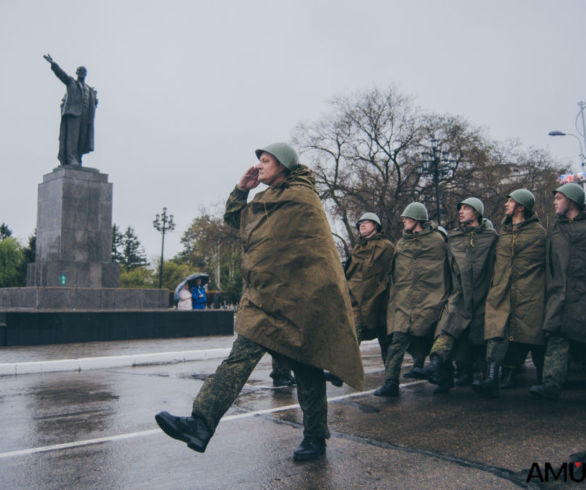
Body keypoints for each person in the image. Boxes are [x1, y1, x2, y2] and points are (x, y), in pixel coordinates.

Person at [155, 142, 364, 461]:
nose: (260, 165)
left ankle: (315, 437)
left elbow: (307, 254)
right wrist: (241, 190)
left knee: (307, 368)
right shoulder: (266, 199)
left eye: (266, 161)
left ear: (283, 165)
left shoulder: (301, 197)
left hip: (300, 302)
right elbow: (237, 222)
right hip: (266, 299)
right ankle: (200, 423)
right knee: (239, 356)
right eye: (260, 161)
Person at [374, 202, 453, 397]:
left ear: (417, 220)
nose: (404, 221)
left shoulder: (437, 242)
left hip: (430, 301)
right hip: (404, 302)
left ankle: (445, 378)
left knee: (427, 342)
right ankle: (391, 383)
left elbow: (448, 270)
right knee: (397, 341)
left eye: (407, 219)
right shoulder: (402, 244)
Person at [474, 189, 546, 398]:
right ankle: (491, 379)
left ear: (521, 207)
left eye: (510, 201)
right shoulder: (503, 233)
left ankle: (544, 380)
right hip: (501, 293)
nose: (506, 204)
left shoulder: (539, 233)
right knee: (496, 335)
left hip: (530, 294)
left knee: (534, 337)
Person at [422, 198, 498, 394]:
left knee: (481, 340)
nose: (461, 212)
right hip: (458, 297)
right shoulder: (453, 238)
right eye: (460, 208)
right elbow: (447, 268)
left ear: (477, 213)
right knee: (446, 331)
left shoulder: (491, 237)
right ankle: (436, 365)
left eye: (466, 208)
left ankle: (488, 380)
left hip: (484, 297)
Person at [530, 183, 586, 400]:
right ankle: (551, 383)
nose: (554, 202)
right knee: (557, 336)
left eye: (559, 198)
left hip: (582, 294)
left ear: (571, 201)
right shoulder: (555, 230)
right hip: (560, 295)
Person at [43, 54, 98, 166]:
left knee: (82, 139)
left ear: (86, 74)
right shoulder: (71, 82)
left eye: (84, 71)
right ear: (76, 72)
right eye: (80, 70)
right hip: (73, 114)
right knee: (72, 138)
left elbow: (93, 103)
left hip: (86, 116)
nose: (82, 72)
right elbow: (61, 75)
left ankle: (78, 158)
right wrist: (53, 64)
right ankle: (71, 158)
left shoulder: (89, 89)